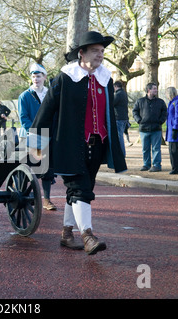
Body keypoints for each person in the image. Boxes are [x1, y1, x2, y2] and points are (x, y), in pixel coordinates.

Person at [29, 31, 127, 255]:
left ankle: (66, 233)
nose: (100, 55)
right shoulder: (65, 77)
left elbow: (108, 115)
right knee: (80, 189)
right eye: (95, 51)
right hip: (70, 144)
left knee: (80, 190)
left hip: (98, 143)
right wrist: (35, 146)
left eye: (102, 51)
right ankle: (88, 236)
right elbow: (46, 112)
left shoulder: (105, 78)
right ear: (81, 53)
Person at [18, 63, 57, 211]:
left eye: (38, 76)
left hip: (48, 136)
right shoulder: (25, 96)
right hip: (31, 137)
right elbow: (24, 118)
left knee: (47, 169)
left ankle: (46, 200)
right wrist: (36, 132)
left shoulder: (50, 94)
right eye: (33, 76)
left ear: (44, 77)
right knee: (30, 167)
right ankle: (23, 194)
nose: (36, 79)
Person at [132, 83, 167, 172]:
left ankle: (156, 165)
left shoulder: (160, 102)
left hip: (156, 128)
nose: (156, 90)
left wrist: (161, 121)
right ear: (149, 90)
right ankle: (146, 164)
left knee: (156, 148)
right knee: (145, 148)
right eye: (154, 89)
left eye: (156, 88)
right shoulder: (140, 101)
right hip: (144, 129)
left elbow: (164, 112)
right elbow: (135, 111)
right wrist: (139, 120)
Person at [164, 87, 178, 174]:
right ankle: (174, 167)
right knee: (171, 150)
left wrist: (175, 128)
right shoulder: (172, 102)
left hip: (175, 129)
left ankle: (177, 168)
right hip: (171, 128)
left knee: (174, 150)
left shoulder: (177, 102)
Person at [113, 81, 129, 156]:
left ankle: (122, 153)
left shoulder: (118, 94)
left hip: (118, 117)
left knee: (119, 137)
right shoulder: (124, 93)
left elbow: (112, 103)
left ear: (115, 86)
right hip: (123, 117)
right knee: (120, 135)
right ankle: (122, 153)